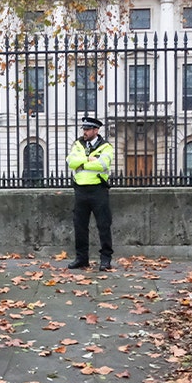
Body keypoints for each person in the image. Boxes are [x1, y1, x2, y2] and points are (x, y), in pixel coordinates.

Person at [65, 116, 114, 271]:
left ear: (96, 130)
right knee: (80, 226)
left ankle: (105, 260)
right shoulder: (78, 144)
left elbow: (102, 164)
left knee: (103, 225)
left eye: (87, 129)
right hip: (80, 190)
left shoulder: (106, 147)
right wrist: (88, 159)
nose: (84, 132)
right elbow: (70, 161)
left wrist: (82, 163)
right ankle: (81, 258)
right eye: (84, 129)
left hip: (98, 189)